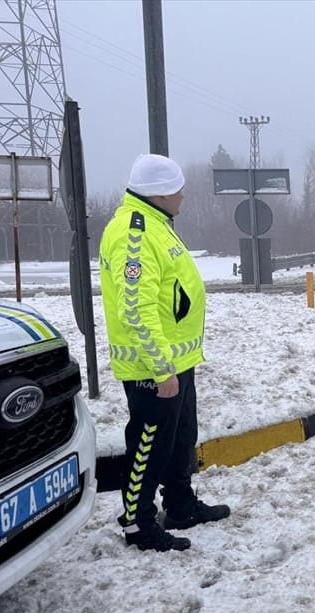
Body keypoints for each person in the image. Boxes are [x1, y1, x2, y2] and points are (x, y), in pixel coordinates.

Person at [98, 153, 230, 552]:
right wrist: (161, 369)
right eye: (177, 189)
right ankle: (138, 523)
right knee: (149, 446)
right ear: (158, 193)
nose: (183, 195)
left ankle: (180, 504)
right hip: (152, 367)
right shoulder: (134, 233)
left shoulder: (156, 225)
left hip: (177, 362)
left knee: (178, 440)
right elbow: (136, 310)